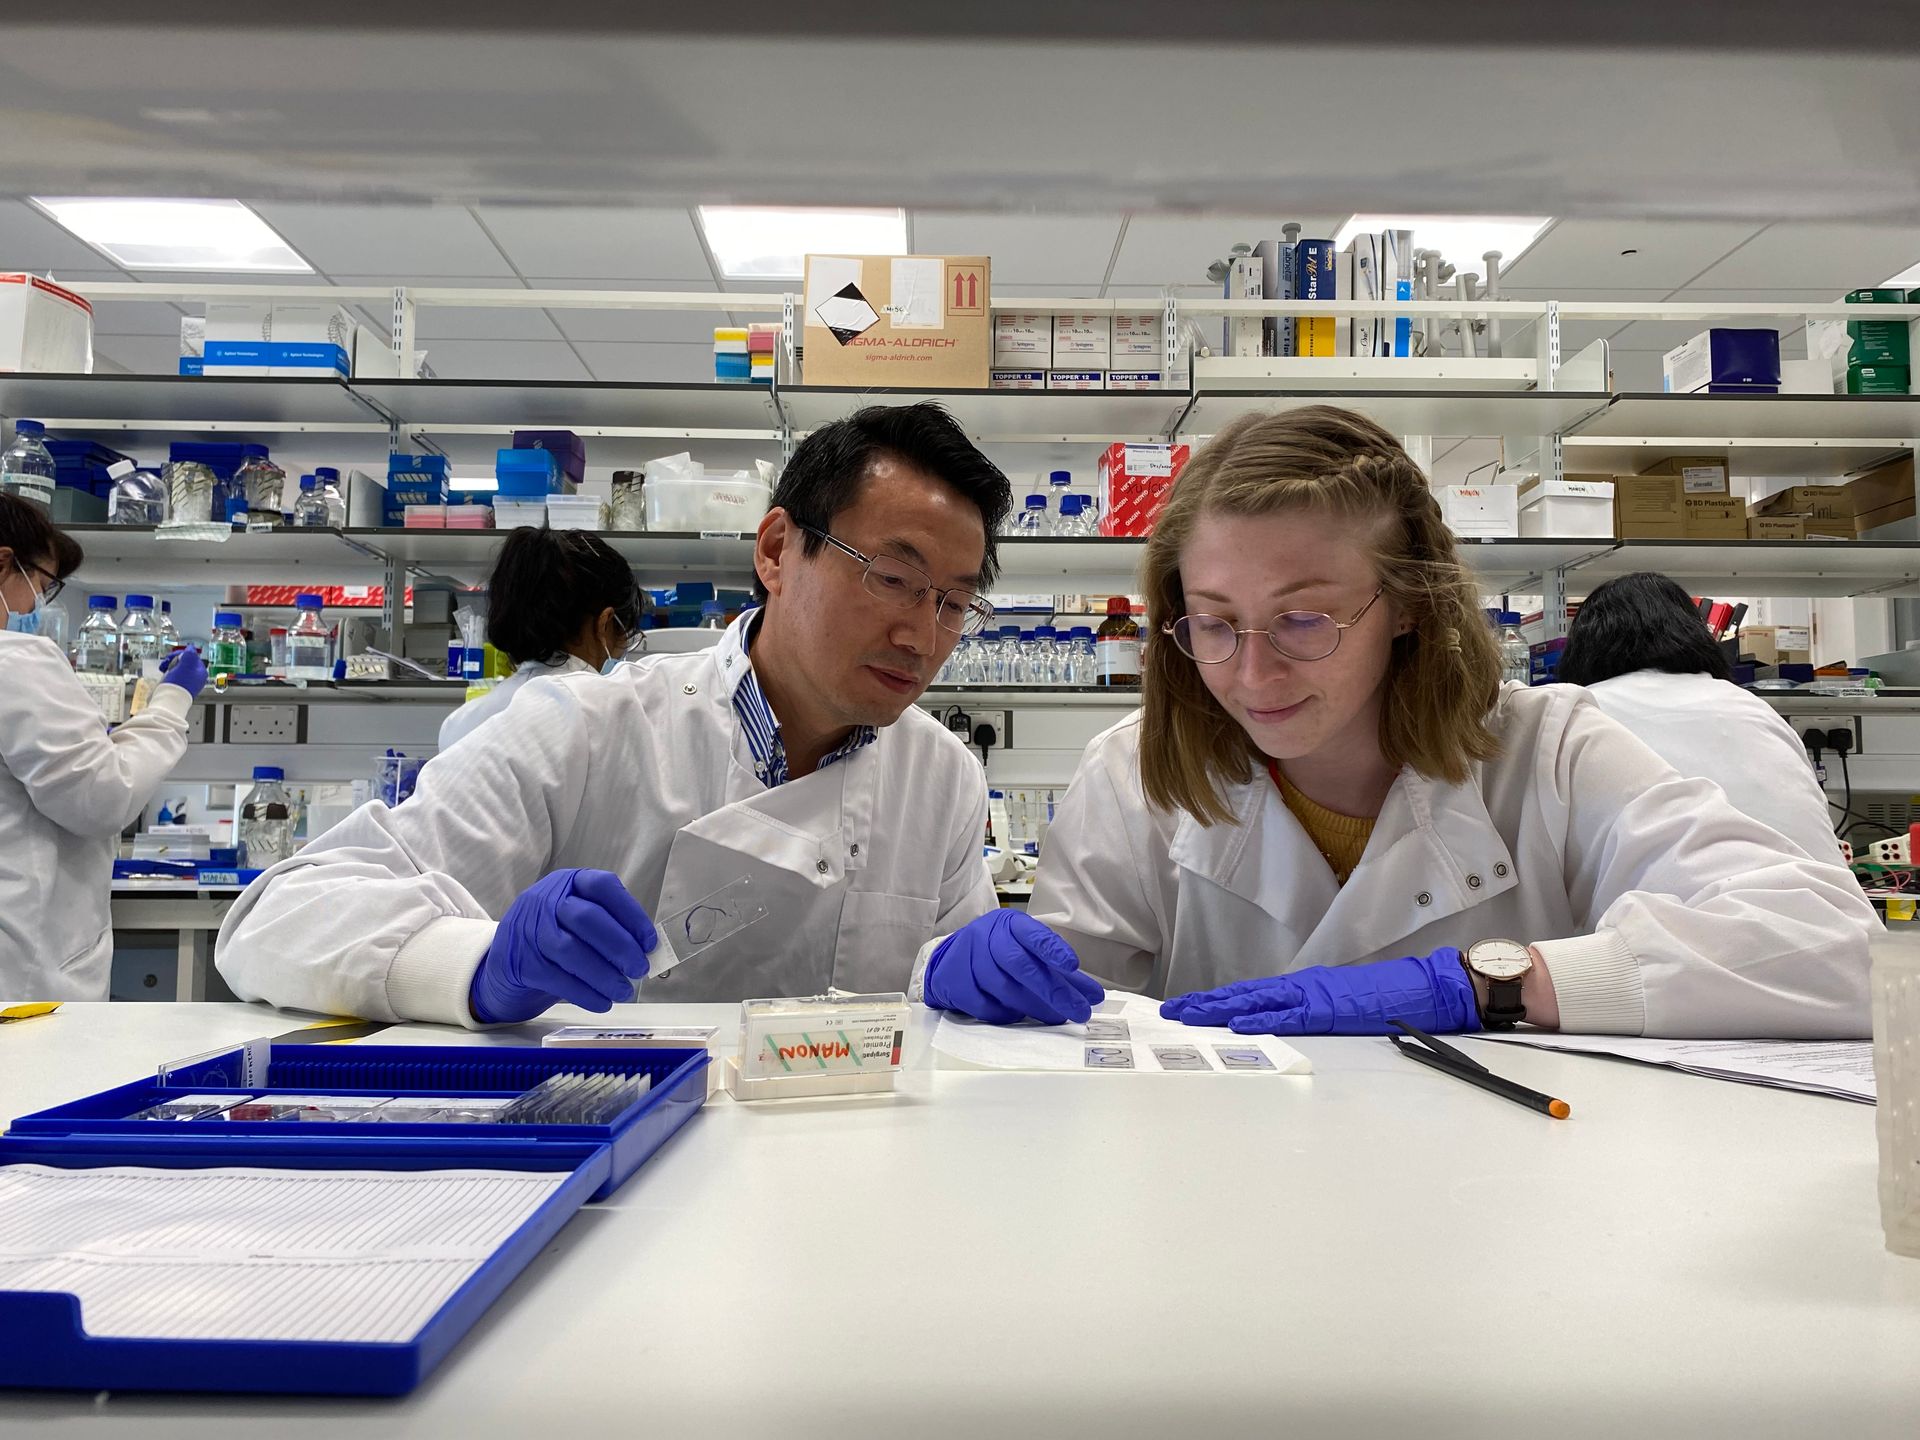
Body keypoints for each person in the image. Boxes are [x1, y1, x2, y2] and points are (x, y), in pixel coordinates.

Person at [217, 403, 1104, 1029]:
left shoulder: (940, 773)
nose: (922, 632)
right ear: (775, 552)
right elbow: (277, 917)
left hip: (851, 1185)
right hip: (598, 1171)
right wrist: (480, 966)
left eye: (955, 602)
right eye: (895, 577)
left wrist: (955, 974)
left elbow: (935, 984)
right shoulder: (584, 729)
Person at [1018, 406, 1877, 1040]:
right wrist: (987, 987)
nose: (1250, 672)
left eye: (1304, 619)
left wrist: (1488, 982)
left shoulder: (1553, 752)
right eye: (1212, 620)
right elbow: (1059, 1030)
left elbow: (1839, 951)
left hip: (1507, 1216)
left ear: (1408, 605)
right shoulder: (1132, 771)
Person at [0, 495, 208, 999]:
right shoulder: (16, 663)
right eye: (41, 587)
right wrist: (170, 705)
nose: (33, 608)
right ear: (4, 561)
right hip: (21, 973)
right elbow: (101, 797)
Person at [1557, 571, 1841, 866]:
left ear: (1581, 647)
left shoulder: (1588, 711)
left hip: (1688, 904)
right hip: (1831, 902)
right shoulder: (1752, 707)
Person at [437, 528, 643, 751]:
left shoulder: (459, 726)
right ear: (605, 624)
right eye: (626, 634)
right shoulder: (609, 718)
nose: (623, 646)